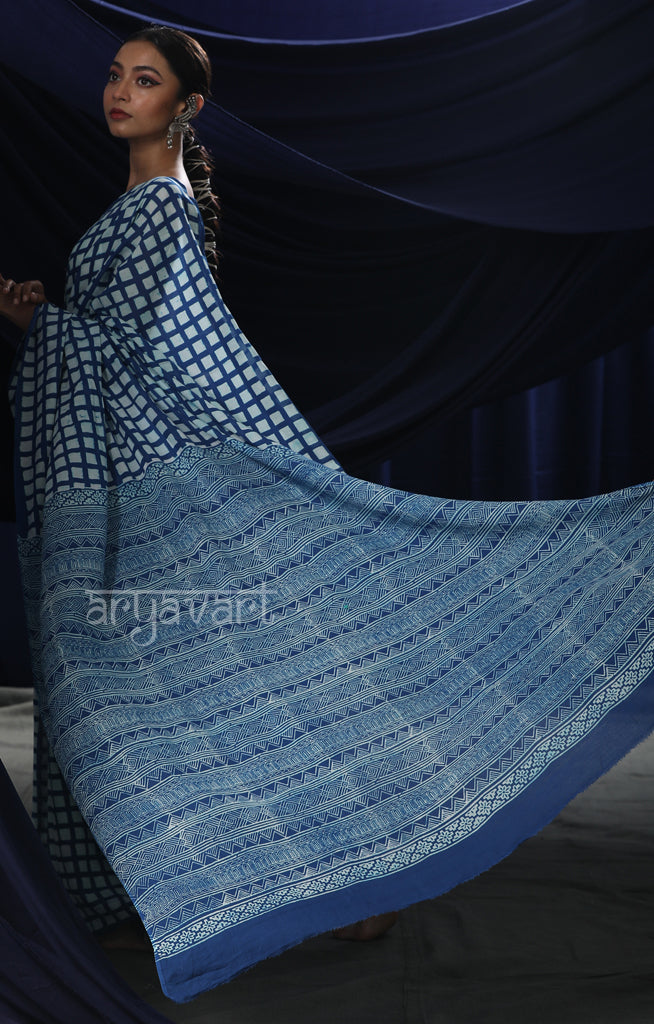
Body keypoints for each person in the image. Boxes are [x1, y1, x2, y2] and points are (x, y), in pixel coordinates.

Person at [2, 25, 654, 1004]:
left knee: (191, 689)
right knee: (202, 691)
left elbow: (135, 367)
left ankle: (344, 882)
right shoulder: (142, 205)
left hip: (160, 496)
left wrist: (38, 324)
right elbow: (133, 351)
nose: (119, 91)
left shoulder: (157, 211)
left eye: (145, 79)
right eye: (114, 74)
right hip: (138, 488)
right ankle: (297, 887)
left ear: (187, 105)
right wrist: (53, 320)